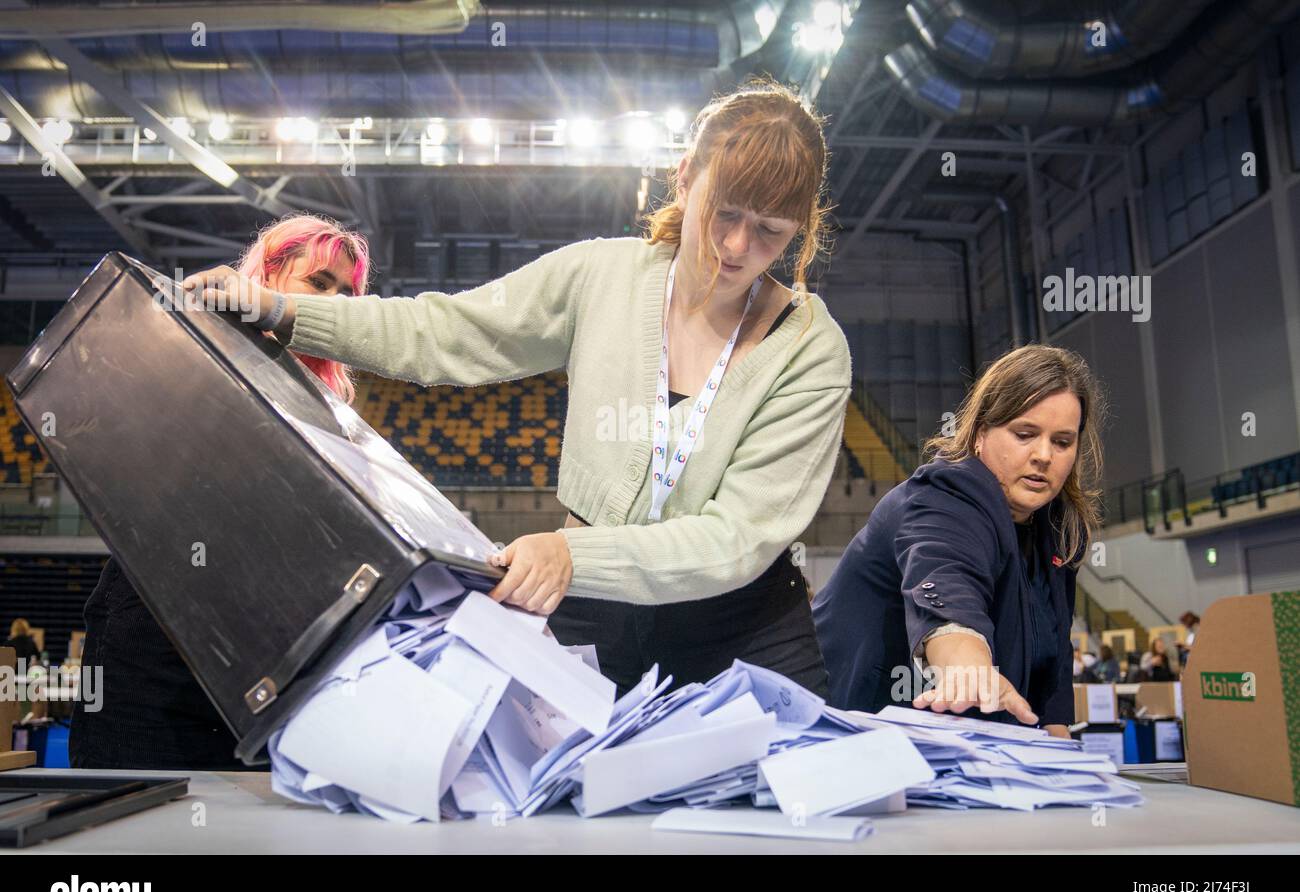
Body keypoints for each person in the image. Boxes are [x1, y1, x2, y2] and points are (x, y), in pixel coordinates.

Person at [182, 79, 851, 697]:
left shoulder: (811, 350)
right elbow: (447, 330)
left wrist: (571, 553)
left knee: (772, 820)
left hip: (744, 628)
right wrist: (286, 312)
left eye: (770, 232)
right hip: (595, 611)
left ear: (800, 227)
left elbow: (733, 538)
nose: (736, 247)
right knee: (569, 820)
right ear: (685, 179)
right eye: (724, 213)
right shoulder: (601, 277)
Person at [69, 213, 371, 770]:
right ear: (267, 277)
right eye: (320, 282)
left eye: (348, 293)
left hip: (266, 666)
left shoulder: (330, 412)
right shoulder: (194, 348)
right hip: (156, 651)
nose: (337, 301)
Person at [813, 345, 1106, 737]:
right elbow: (947, 587)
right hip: (851, 739)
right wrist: (969, 668)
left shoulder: (1058, 528)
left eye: (1062, 442)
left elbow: (1052, 663)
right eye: (1025, 434)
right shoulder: (945, 496)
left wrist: (1063, 760)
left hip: (966, 753)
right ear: (981, 433)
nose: (1043, 455)